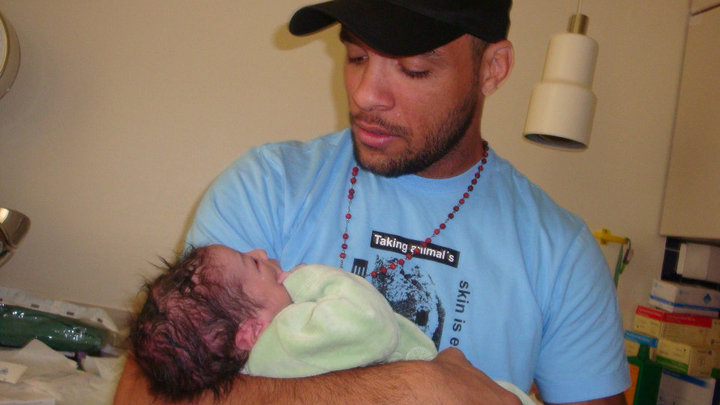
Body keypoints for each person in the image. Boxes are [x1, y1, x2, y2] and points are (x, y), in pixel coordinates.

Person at [114, 1, 631, 404]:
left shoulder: (561, 254)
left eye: (412, 69)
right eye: (356, 57)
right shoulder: (267, 186)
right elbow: (143, 396)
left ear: (492, 69)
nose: (365, 95)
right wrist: (414, 390)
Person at [130, 244, 535, 404]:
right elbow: (372, 325)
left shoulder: (256, 367)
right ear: (251, 332)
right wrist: (309, 279)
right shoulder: (288, 336)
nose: (261, 252)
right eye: (252, 263)